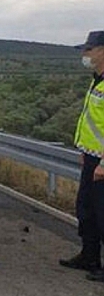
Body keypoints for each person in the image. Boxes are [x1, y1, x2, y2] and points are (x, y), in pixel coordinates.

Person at [60, 30, 104, 282]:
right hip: (91, 157)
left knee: (102, 213)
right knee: (86, 210)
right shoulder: (96, 80)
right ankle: (89, 256)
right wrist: (85, 151)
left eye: (89, 50)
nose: (85, 54)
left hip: (102, 163)